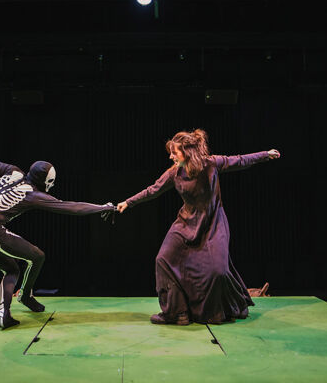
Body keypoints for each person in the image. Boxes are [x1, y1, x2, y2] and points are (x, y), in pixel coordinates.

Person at [0, 139, 116, 329]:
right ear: (45, 181)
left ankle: (9, 311)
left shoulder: (13, 171)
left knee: (11, 269)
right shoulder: (33, 195)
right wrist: (103, 207)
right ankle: (24, 296)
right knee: (37, 257)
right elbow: (71, 207)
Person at [117, 129, 280, 325]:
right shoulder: (174, 173)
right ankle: (177, 313)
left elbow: (240, 160)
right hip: (185, 224)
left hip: (213, 223)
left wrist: (265, 155)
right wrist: (128, 202)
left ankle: (219, 309)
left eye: (174, 152)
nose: (170, 156)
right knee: (163, 259)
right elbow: (153, 190)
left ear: (187, 152)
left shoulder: (211, 164)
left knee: (218, 271)